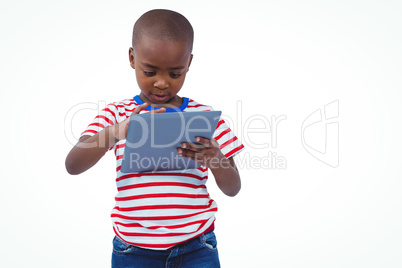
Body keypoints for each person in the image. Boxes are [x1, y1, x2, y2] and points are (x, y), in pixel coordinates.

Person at [65, 9, 244, 268]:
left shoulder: (205, 118)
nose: (162, 83)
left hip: (197, 247)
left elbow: (233, 188)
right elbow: (73, 164)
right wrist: (117, 132)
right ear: (131, 57)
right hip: (132, 251)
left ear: (189, 64)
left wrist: (215, 158)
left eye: (175, 74)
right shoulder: (116, 114)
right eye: (150, 72)